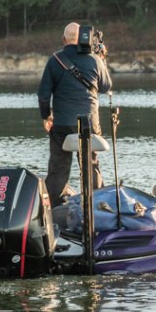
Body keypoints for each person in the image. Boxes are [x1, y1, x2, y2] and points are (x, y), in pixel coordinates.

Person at [38, 22, 112, 207]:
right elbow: (106, 87)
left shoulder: (55, 60)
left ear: (63, 40)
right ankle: (96, 206)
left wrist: (47, 117)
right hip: (89, 124)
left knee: (58, 168)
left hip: (61, 124)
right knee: (90, 165)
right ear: (84, 40)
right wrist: (101, 59)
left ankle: (52, 209)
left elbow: (43, 96)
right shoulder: (94, 60)